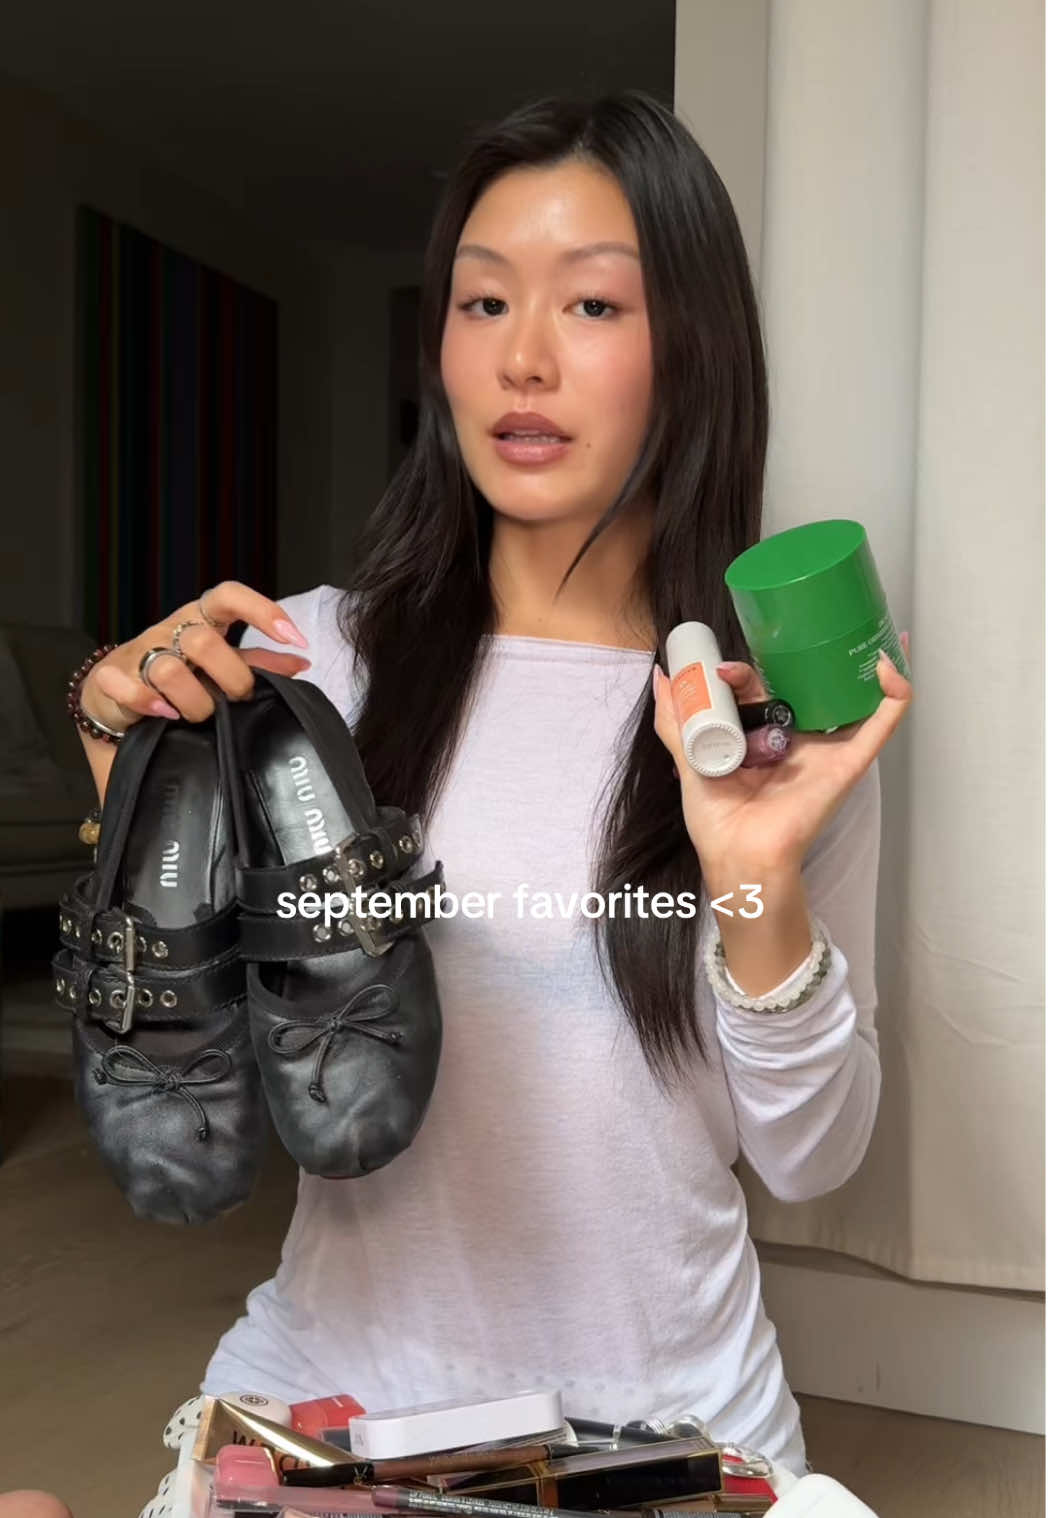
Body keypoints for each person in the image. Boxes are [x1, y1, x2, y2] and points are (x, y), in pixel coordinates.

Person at [64, 90, 912, 1515]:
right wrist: (117, 731)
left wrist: (754, 873)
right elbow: (196, 1060)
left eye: (592, 304)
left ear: (693, 351)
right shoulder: (308, 659)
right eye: (482, 301)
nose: (523, 357)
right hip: (338, 1409)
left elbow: (812, 1155)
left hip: (661, 1429)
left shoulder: (755, 724)